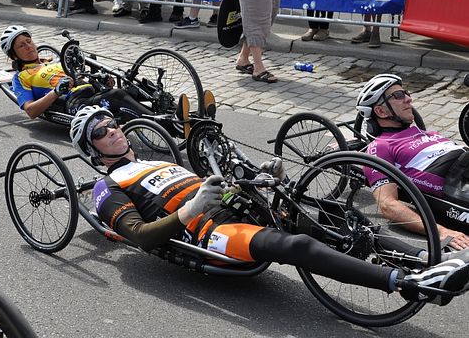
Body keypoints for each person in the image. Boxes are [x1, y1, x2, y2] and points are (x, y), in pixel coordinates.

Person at [68, 105, 469, 306]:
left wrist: (258, 176)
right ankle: (410, 285)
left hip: (232, 202)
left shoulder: (158, 159)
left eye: (112, 123)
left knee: (329, 217)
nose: (113, 131)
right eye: (101, 132)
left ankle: (426, 258)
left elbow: (213, 180)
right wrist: (189, 212)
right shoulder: (107, 186)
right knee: (292, 247)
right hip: (207, 232)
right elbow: (138, 235)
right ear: (91, 149)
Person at [356, 74, 469, 250]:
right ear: (381, 111)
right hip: (457, 181)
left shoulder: (428, 133)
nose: (409, 99)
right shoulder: (381, 146)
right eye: (399, 96)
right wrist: (440, 231)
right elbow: (387, 204)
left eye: (406, 93)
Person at [1, 25, 152, 122]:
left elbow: (81, 76)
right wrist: (56, 91)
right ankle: (161, 124)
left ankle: (168, 111)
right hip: (73, 102)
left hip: (90, 90)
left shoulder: (53, 62)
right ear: (14, 55)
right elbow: (31, 111)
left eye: (29, 41)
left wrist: (102, 80)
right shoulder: (21, 77)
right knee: (117, 96)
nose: (29, 46)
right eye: (21, 45)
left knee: (137, 88)